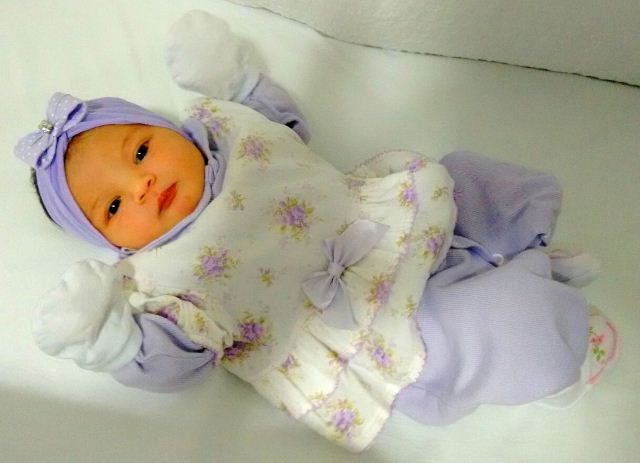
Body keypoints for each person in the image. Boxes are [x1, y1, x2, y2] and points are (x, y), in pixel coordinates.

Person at [14, 10, 618, 452]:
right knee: (496, 327)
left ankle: (526, 249)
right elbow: (180, 362)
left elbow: (284, 128)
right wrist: (113, 340)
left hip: (396, 220)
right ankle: (556, 353)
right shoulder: (165, 280)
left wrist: (237, 85)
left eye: (141, 150)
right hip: (369, 326)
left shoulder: (230, 135)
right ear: (116, 245)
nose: (142, 185)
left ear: (172, 131)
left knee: (467, 178)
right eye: (113, 206)